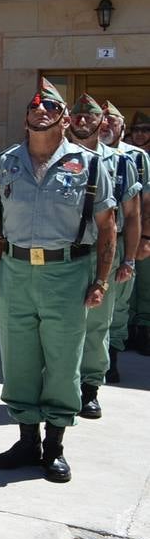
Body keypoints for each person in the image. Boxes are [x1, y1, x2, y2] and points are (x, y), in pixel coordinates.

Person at [0, 79, 115, 483]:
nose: (41, 111)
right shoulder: (6, 162)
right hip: (16, 270)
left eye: (50, 107)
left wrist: (101, 280)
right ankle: (27, 440)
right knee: (19, 359)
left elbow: (107, 226)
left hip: (66, 272)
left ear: (63, 118)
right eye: (34, 106)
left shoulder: (90, 164)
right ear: (26, 117)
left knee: (62, 360)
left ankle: (54, 445)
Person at [65, 95, 139, 419]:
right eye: (77, 115)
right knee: (62, 323)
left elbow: (133, 215)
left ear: (102, 121)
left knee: (97, 323)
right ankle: (61, 384)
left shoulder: (122, 162)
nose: (83, 120)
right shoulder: (55, 157)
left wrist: (130, 259)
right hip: (65, 251)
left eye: (90, 115)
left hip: (106, 250)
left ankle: (90, 387)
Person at [101, 101, 150, 376]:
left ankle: (112, 357)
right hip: (90, 241)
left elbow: (146, 202)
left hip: (122, 238)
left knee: (119, 302)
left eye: (113, 120)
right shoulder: (84, 153)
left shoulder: (135, 157)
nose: (107, 124)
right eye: (103, 120)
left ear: (122, 127)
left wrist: (144, 237)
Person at [127, 111, 150, 356]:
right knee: (128, 282)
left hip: (148, 229)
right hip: (128, 227)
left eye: (146, 130)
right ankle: (127, 329)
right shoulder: (126, 156)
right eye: (137, 130)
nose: (141, 134)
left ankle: (143, 329)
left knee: (146, 282)